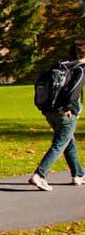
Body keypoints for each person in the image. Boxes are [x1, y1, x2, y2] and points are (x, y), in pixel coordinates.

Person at [30, 47, 85, 191]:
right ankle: (40, 175)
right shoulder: (80, 69)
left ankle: (78, 174)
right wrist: (69, 108)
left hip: (50, 112)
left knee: (68, 142)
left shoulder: (61, 66)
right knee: (60, 144)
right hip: (65, 113)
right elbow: (73, 89)